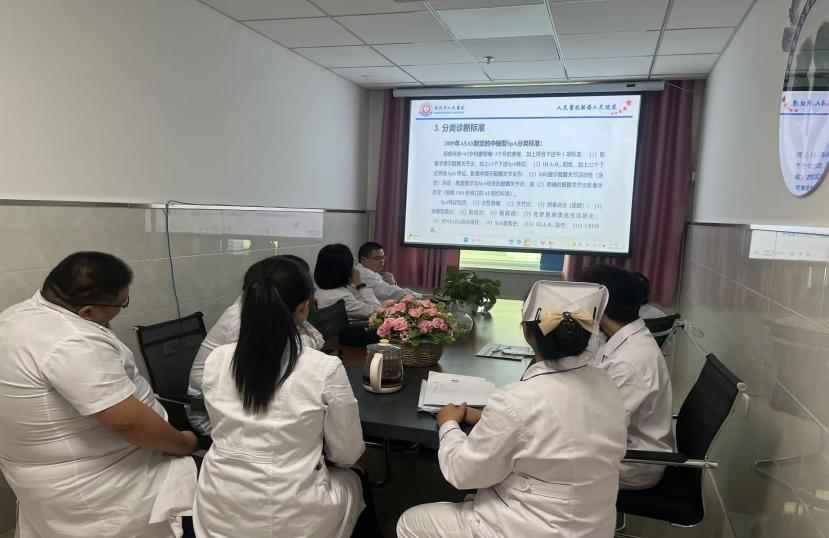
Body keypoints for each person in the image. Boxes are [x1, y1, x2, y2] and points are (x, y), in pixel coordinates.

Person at [397, 281, 628, 537]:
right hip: (594, 525)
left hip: (530, 529)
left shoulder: (516, 399)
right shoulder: (605, 382)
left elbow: (463, 473)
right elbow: (559, 424)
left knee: (409, 523)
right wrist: (489, 418)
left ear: (527, 333)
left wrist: (449, 425)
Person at [0, 252, 198, 538]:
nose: (123, 307)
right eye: (121, 303)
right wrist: (183, 443)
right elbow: (128, 422)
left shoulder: (15, 316)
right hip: (101, 484)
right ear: (87, 312)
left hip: (47, 477)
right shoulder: (73, 341)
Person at [192, 256, 366, 537]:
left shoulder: (217, 359)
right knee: (354, 476)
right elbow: (346, 453)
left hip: (218, 507)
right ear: (304, 307)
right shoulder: (324, 368)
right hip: (296, 516)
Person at [187, 255, 325, 434]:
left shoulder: (273, 310)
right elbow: (266, 366)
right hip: (209, 409)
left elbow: (316, 338)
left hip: (249, 396)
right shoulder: (240, 320)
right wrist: (297, 343)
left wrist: (296, 341)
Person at [579, 264, 675, 489]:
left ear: (599, 305)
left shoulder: (629, 362)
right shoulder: (626, 338)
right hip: (622, 444)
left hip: (634, 463)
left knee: (534, 462)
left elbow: (597, 429)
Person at [314, 243, 381, 321]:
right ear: (345, 269)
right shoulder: (342, 299)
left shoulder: (318, 292)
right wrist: (360, 285)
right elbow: (378, 311)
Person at [355, 241, 421, 301]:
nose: (382, 261)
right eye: (377, 258)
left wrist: (393, 283)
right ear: (363, 259)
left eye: (383, 257)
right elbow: (390, 293)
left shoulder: (370, 271)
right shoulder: (363, 274)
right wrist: (421, 296)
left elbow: (391, 290)